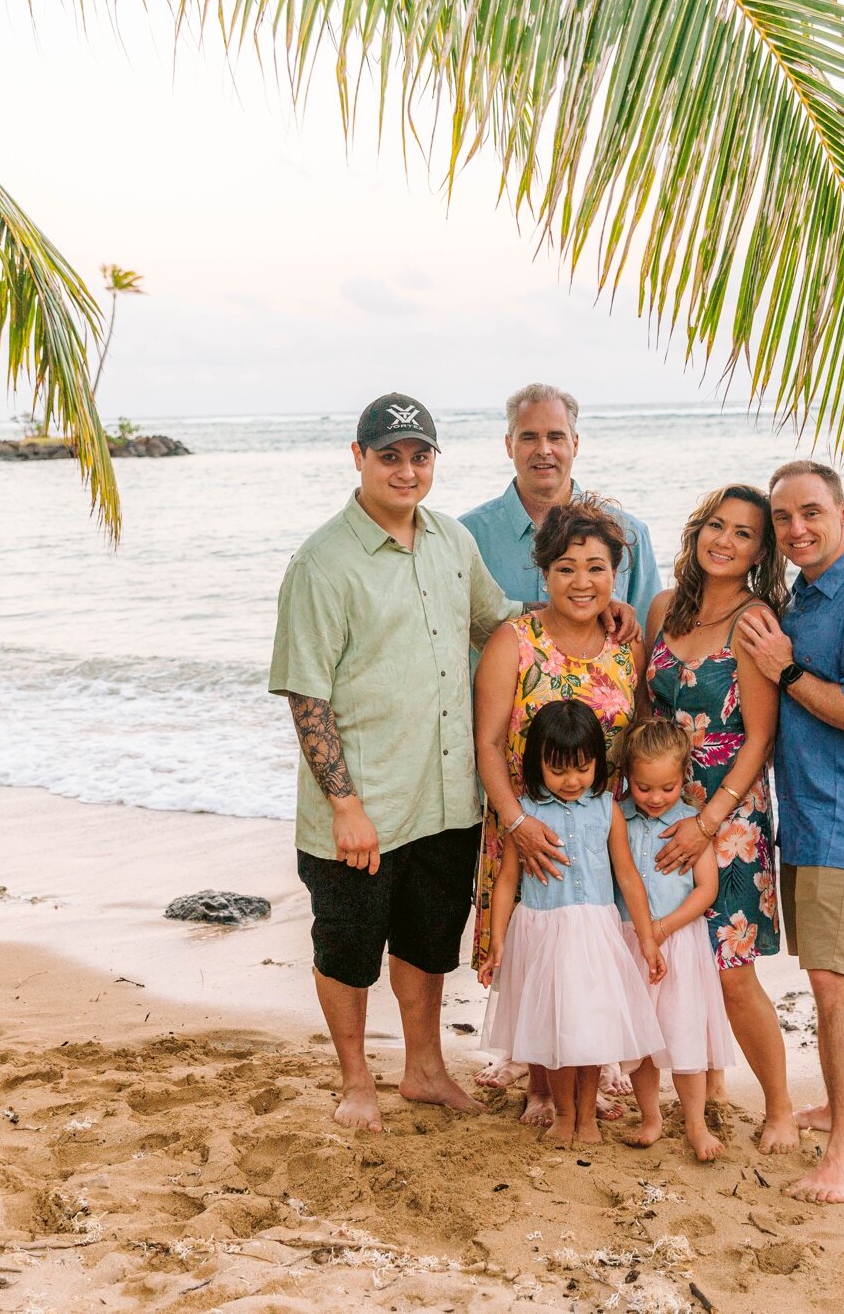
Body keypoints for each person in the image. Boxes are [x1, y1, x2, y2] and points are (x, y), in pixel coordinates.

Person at [268, 392, 521, 1133]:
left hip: (446, 795)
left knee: (426, 941)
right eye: (390, 456)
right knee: (348, 950)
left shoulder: (450, 542)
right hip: (364, 808)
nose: (405, 471)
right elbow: (307, 696)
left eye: (419, 456)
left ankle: (424, 1069)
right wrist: (344, 805)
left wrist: (583, 612)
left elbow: (493, 621)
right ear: (359, 458)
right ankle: (356, 1080)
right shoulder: (323, 562)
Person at [734, 459, 844, 1205]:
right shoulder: (804, 597)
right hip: (808, 812)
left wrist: (782, 671)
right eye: (783, 518)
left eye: (812, 512)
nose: (796, 529)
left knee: (832, 981)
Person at [471, 494, 640, 1124]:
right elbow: (486, 744)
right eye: (567, 567)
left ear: (614, 575)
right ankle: (541, 1085)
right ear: (543, 572)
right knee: (535, 959)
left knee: (591, 958)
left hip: (598, 830)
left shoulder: (627, 646)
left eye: (596, 567)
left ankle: (593, 1077)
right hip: (524, 825)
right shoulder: (513, 643)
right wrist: (517, 822)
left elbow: (634, 736)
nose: (582, 581)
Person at [641, 484, 799, 1153]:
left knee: (731, 971)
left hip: (727, 814)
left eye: (743, 533)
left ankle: (783, 1106)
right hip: (661, 804)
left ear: (761, 551)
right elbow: (646, 706)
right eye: (715, 525)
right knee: (674, 957)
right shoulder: (662, 608)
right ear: (696, 530)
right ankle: (704, 1084)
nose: (724, 541)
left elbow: (760, 739)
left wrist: (707, 823)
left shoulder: (754, 622)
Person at [478, 700, 667, 1146]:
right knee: (557, 1034)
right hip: (544, 934)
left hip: (595, 935)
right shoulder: (524, 814)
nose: (571, 781)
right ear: (537, 763)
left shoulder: (607, 809)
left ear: (598, 763)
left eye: (582, 768)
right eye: (559, 770)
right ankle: (565, 1115)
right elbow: (507, 882)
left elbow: (627, 877)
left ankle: (588, 1119)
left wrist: (647, 939)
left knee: (591, 1032)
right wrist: (497, 943)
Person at [614, 717, 733, 1163]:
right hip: (631, 942)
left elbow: (707, 891)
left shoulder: (692, 824)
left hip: (679, 942)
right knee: (643, 1039)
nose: (656, 798)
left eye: (666, 787)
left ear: (684, 777)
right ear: (628, 777)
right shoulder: (617, 817)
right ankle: (650, 1117)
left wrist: (661, 929)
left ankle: (696, 1124)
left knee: (684, 1037)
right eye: (644, 788)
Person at [461, 382, 663, 622]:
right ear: (509, 445)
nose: (544, 449)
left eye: (556, 437)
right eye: (529, 438)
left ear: (575, 444)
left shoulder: (629, 534)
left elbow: (651, 640)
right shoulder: (466, 537)